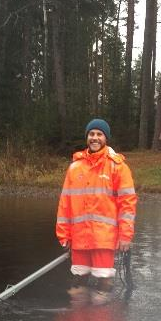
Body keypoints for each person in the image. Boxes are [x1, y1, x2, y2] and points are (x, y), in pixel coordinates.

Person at [56, 118, 137, 302]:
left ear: (105, 138)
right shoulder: (74, 167)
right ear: (87, 137)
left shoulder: (118, 167)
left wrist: (125, 235)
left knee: (103, 285)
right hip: (79, 238)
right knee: (77, 283)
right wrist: (64, 235)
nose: (95, 138)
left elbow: (127, 204)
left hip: (104, 239)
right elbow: (65, 205)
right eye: (91, 134)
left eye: (99, 134)